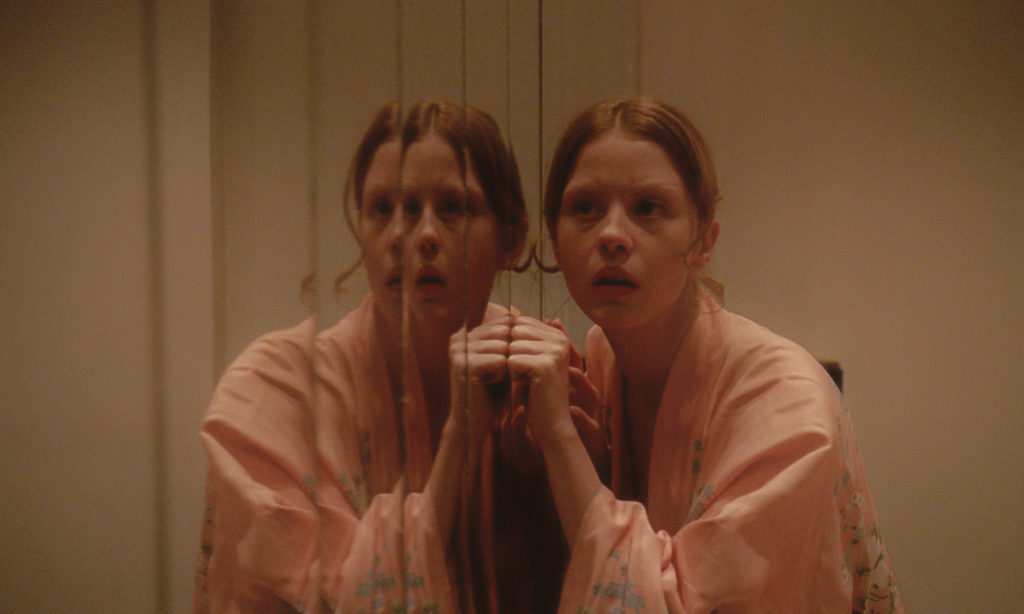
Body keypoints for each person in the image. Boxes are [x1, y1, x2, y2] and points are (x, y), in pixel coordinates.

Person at [466, 98, 902, 613]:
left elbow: (677, 606)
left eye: (648, 208)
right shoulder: (603, 356)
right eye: (584, 207)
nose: (611, 235)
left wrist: (562, 442)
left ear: (703, 242)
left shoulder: (789, 404)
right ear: (556, 241)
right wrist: (574, 461)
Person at [314, 99, 559, 612]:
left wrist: (551, 466)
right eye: (385, 209)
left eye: (453, 207)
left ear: (511, 238)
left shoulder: (542, 374)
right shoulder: (288, 389)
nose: (417, 235)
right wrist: (457, 442)